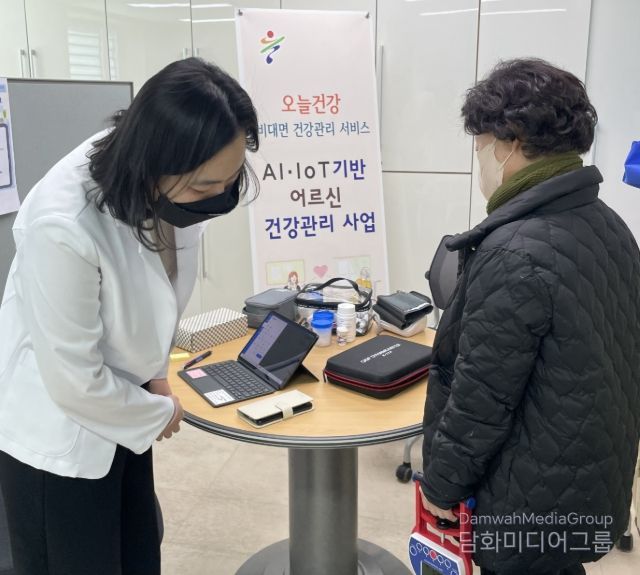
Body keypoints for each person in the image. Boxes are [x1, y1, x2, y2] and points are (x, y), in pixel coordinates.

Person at [0, 57, 258, 575]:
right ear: (152, 163)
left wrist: (155, 376)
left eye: (232, 179)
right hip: (59, 434)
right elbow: (74, 381)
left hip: (123, 404)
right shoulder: (64, 223)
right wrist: (158, 413)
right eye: (204, 187)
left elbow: (150, 295)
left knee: (139, 552)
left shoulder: (170, 183)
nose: (220, 197)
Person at [420, 58, 640, 575]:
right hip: (585, 480)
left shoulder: (514, 250)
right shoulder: (610, 226)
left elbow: (481, 398)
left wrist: (442, 485)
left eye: (481, 145)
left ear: (511, 142)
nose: (480, 160)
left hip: (523, 497)